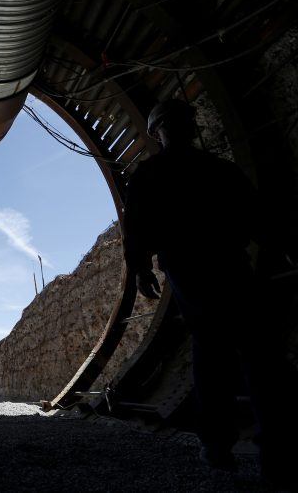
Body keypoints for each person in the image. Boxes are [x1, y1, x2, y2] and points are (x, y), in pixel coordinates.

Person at [123, 99, 296, 487]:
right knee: (258, 350)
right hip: (228, 266)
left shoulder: (150, 174)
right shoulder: (220, 170)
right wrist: (281, 242)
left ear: (157, 132)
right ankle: (272, 447)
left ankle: (219, 443)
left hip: (190, 270)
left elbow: (137, 229)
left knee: (214, 347)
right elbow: (256, 217)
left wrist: (140, 269)